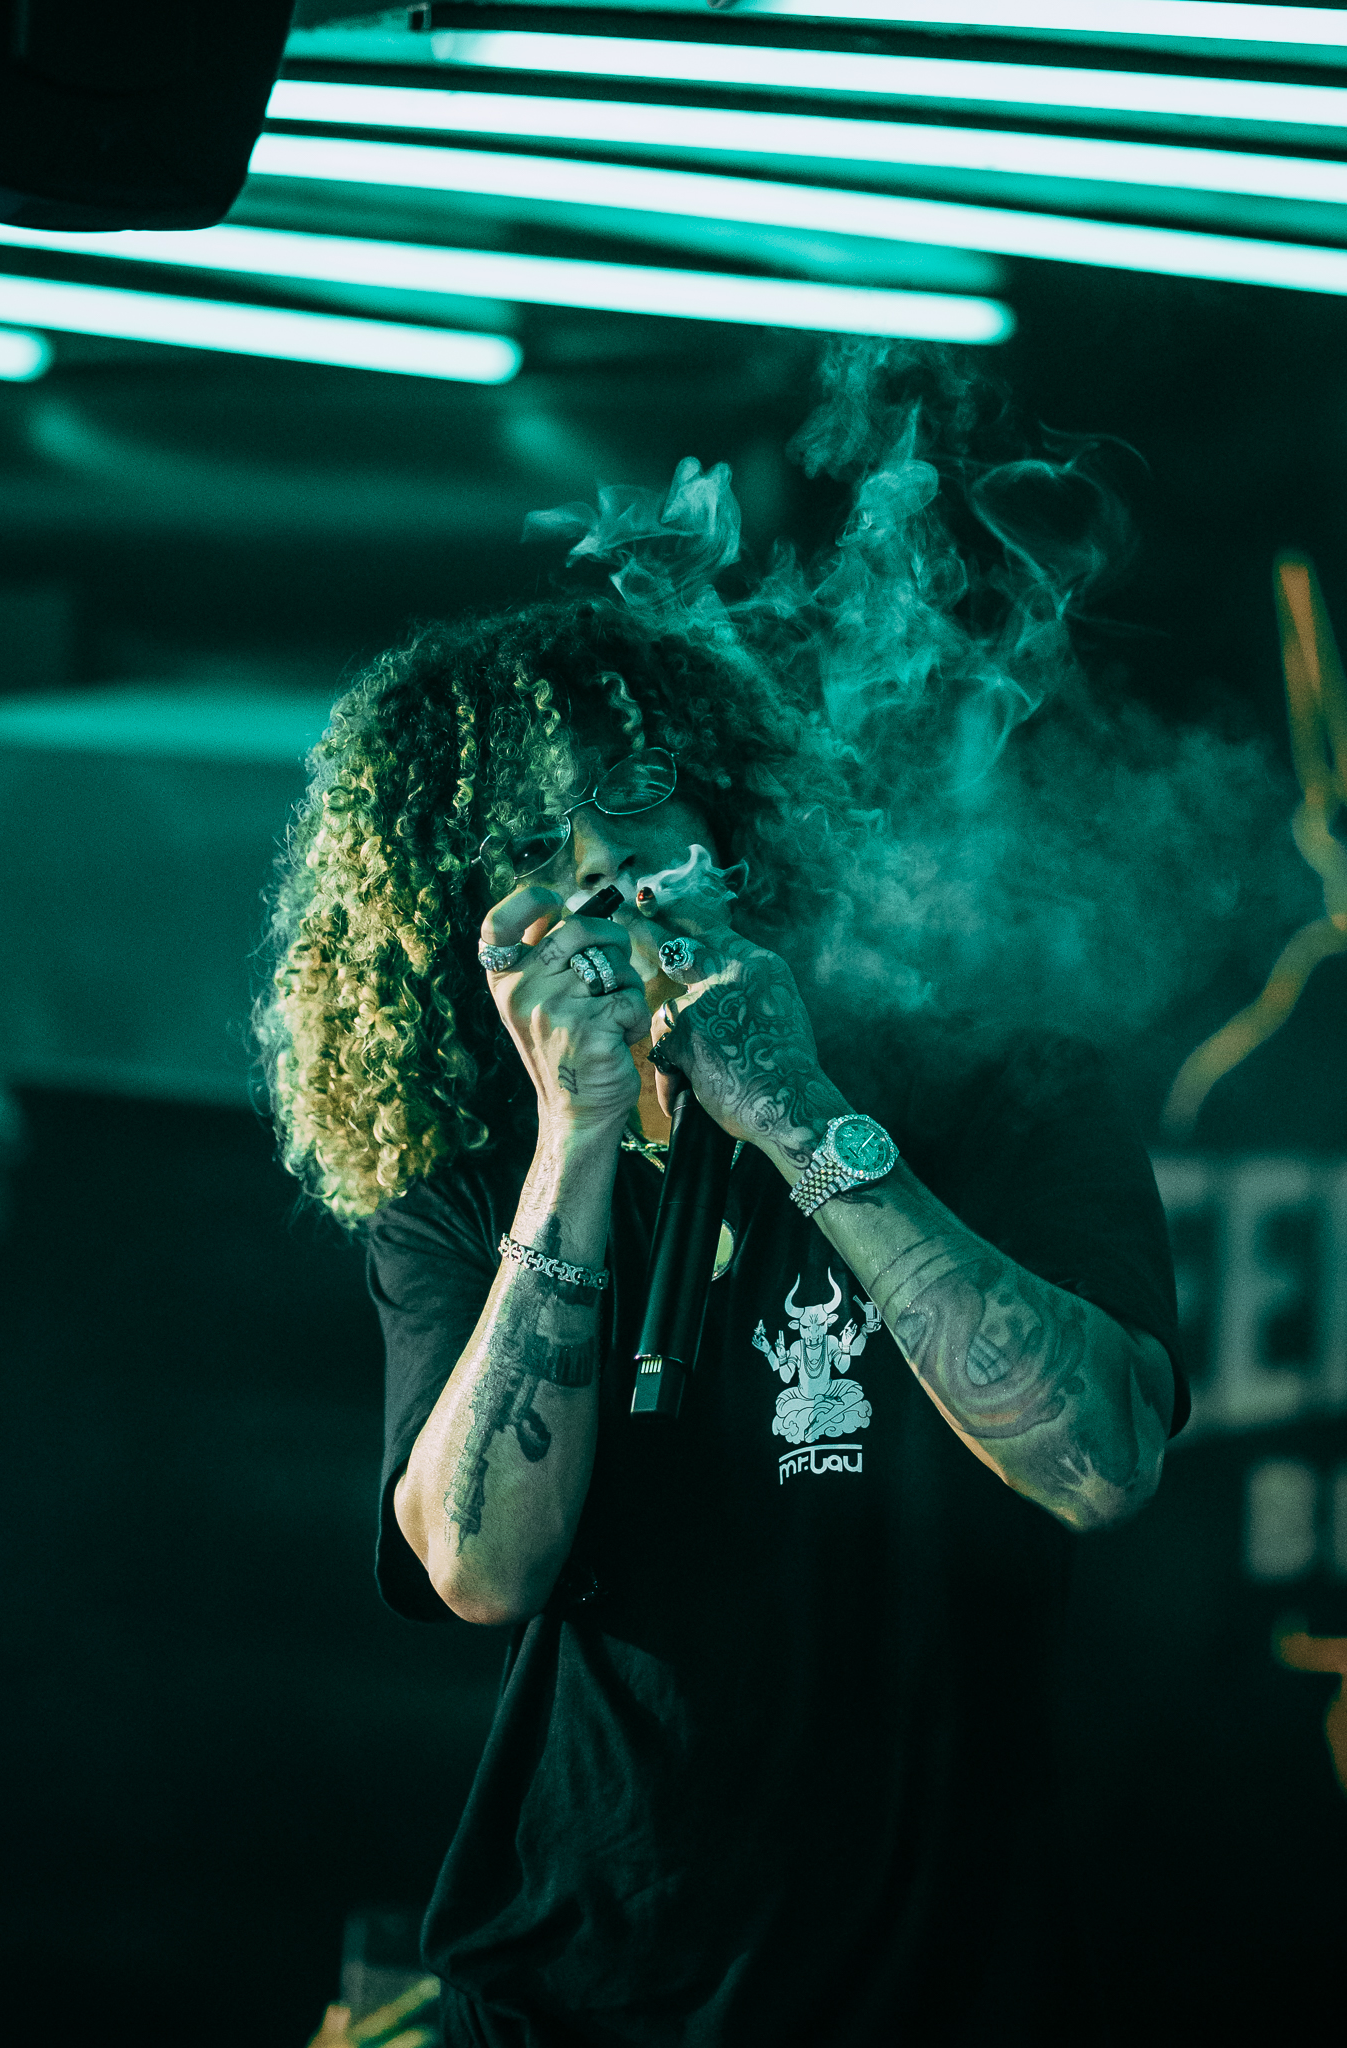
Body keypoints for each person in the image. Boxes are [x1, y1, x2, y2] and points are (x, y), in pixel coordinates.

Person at [260, 470, 1188, 2046]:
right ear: (456, 912)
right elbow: (479, 1568)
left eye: (631, 797)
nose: (594, 870)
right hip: (569, 1995)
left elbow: (1098, 1462)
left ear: (725, 821)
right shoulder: (464, 1183)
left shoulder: (1002, 1090)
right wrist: (573, 1143)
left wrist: (794, 1111)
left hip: (942, 1987)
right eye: (525, 844)